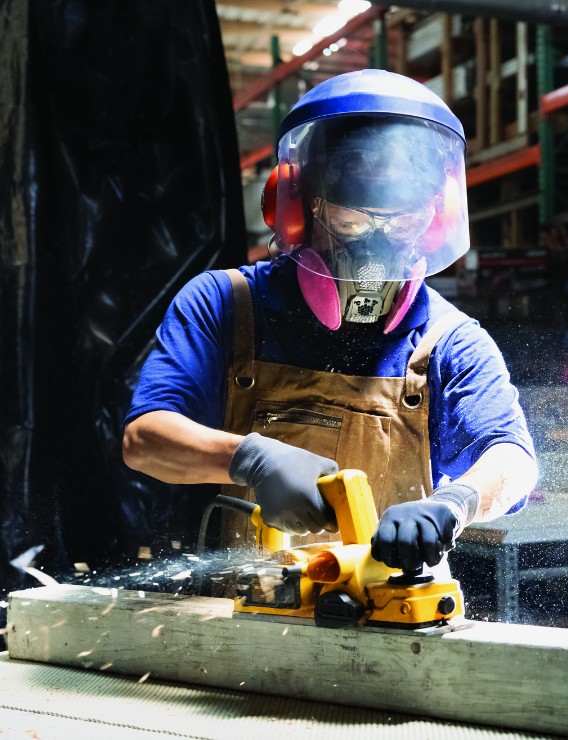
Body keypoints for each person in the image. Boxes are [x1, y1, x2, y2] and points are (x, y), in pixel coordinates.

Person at [122, 69, 537, 577]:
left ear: (438, 215)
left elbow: (513, 460)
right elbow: (145, 440)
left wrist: (456, 503)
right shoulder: (226, 305)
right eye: (352, 220)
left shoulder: (449, 341)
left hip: (392, 607)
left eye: (403, 220)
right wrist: (249, 458)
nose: (377, 243)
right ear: (300, 204)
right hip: (243, 608)